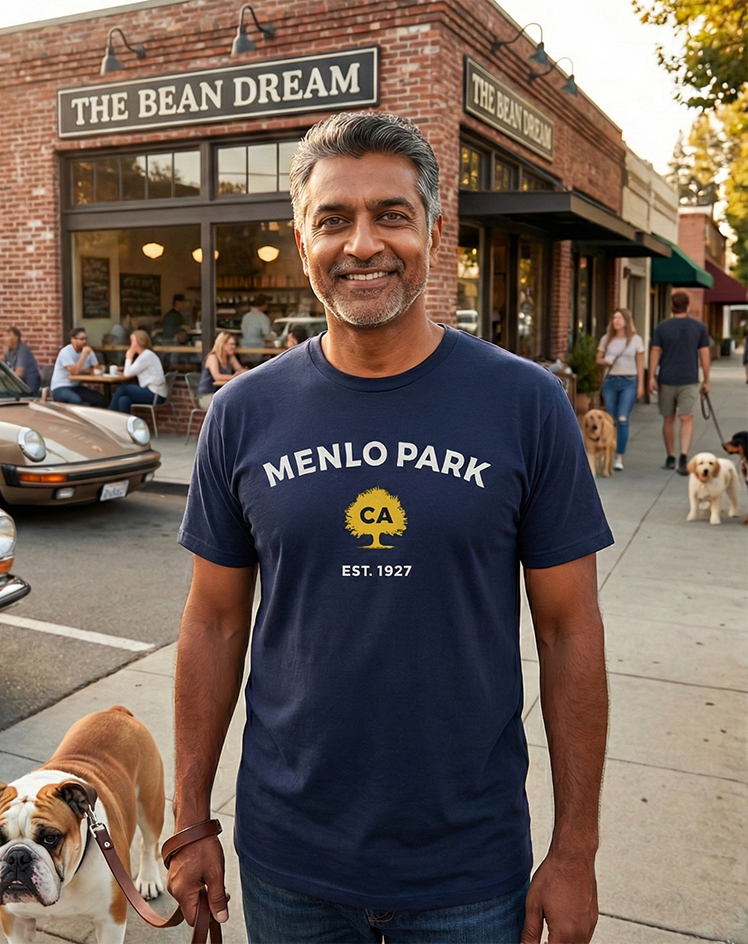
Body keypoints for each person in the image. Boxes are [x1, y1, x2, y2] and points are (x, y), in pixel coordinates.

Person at [170, 112, 612, 944]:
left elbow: (568, 631)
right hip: (287, 861)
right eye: (333, 219)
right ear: (301, 241)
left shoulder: (524, 405)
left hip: (467, 867)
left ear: (434, 232)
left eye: (392, 215)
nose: (362, 243)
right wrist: (189, 818)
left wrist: (575, 849)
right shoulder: (241, 413)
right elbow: (214, 623)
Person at [648, 290, 710, 476]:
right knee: (686, 417)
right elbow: (704, 354)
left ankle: (671, 456)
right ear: (688, 306)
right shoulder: (699, 327)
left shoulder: (662, 327)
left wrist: (651, 376)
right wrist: (706, 380)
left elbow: (655, 351)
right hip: (689, 379)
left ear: (672, 306)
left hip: (666, 379)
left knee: (668, 418)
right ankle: (683, 456)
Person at [596, 308, 645, 470]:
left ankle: (619, 456)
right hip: (610, 381)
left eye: (619, 318)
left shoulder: (636, 340)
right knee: (610, 420)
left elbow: (640, 363)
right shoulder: (606, 339)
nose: (616, 321)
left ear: (626, 321)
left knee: (622, 419)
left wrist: (641, 385)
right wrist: (605, 361)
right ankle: (607, 451)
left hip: (629, 381)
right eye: (614, 318)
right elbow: (598, 359)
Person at [108, 330, 167, 414]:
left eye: (132, 341)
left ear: (140, 342)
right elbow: (132, 370)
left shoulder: (146, 356)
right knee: (123, 400)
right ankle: (127, 422)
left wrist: (129, 357)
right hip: (155, 393)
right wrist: (126, 368)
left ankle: (109, 413)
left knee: (122, 388)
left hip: (155, 394)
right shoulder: (146, 355)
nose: (131, 345)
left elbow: (127, 374)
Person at [50, 327, 103, 406]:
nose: (84, 341)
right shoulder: (65, 352)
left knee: (99, 399)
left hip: (76, 386)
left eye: (85, 339)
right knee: (76, 400)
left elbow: (97, 368)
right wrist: (84, 355)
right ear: (72, 340)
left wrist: (96, 368)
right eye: (81, 339)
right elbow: (74, 372)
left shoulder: (87, 350)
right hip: (60, 387)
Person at [197, 332, 246, 410]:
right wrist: (234, 376)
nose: (233, 347)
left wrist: (247, 372)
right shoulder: (213, 357)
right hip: (207, 396)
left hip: (221, 395)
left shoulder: (230, 357)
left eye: (234, 345)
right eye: (231, 344)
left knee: (240, 403)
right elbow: (217, 376)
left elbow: (240, 370)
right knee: (230, 407)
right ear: (222, 344)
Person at [3, 326, 41, 395]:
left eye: (8, 336)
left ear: (16, 338)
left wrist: (4, 379)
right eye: (5, 336)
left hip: (28, 387)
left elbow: (19, 374)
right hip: (18, 385)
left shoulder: (23, 350)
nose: (5, 338)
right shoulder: (9, 352)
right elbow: (2, 363)